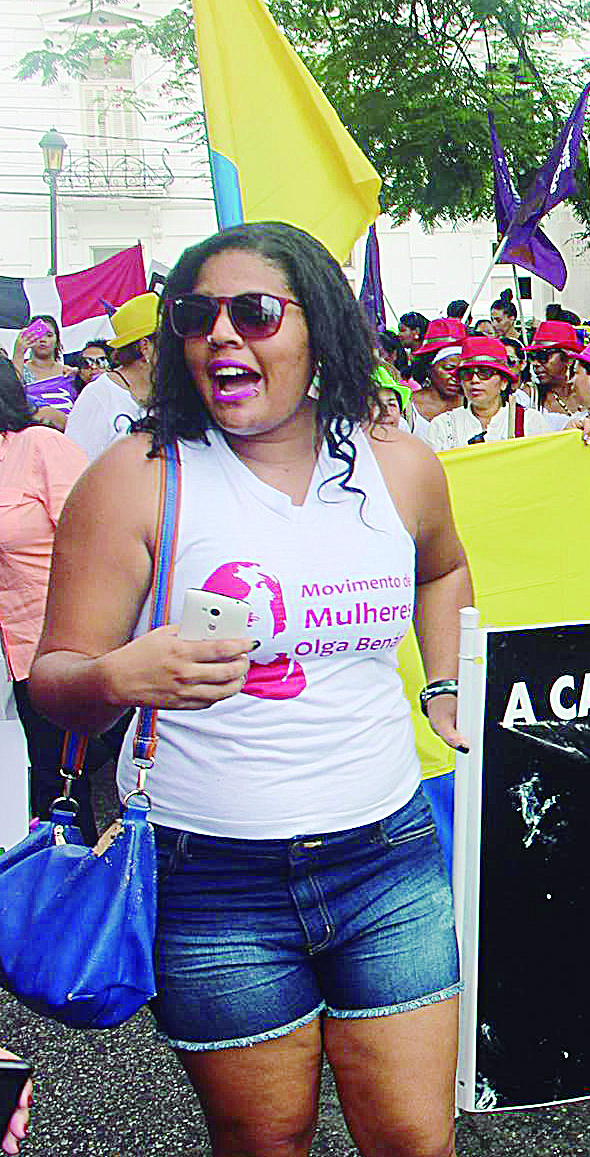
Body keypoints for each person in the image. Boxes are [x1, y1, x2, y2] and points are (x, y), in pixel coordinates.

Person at [30, 220, 472, 1157]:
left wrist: (442, 685)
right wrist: (119, 674)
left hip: (388, 858)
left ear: (321, 332)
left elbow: (443, 570)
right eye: (198, 316)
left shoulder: (396, 468)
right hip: (215, 880)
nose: (221, 336)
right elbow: (54, 682)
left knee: (415, 1143)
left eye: (256, 312)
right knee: (268, 1141)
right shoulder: (136, 481)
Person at [0, 360, 91, 838]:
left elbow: (98, 541)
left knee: (63, 788)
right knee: (38, 780)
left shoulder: (38, 448)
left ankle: (80, 899)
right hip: (13, 658)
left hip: (60, 646)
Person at [423, 335, 566, 451]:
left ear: (503, 382)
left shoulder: (529, 421)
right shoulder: (442, 426)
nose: (474, 380)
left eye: (485, 373)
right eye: (467, 374)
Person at [66, 291, 160, 462]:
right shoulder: (98, 395)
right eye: (169, 340)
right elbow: (73, 467)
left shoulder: (168, 392)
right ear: (145, 347)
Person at [408, 317, 466, 422]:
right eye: (448, 368)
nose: (455, 376)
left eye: (461, 369)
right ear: (428, 367)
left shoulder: (472, 405)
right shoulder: (408, 407)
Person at [526, 319, 584, 419]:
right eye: (532, 356)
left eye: (542, 356)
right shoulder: (529, 397)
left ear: (569, 358)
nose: (535, 363)